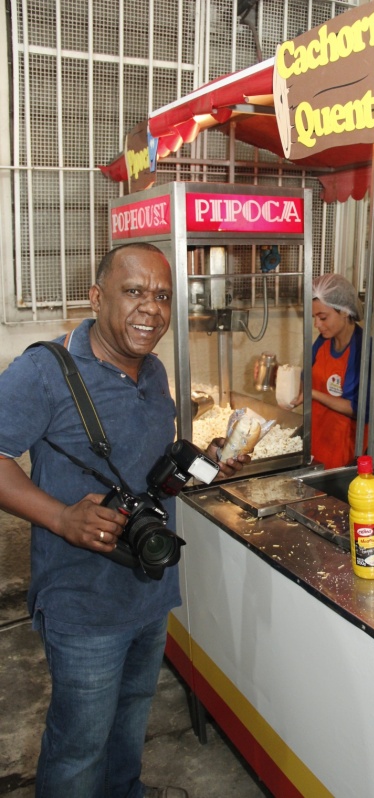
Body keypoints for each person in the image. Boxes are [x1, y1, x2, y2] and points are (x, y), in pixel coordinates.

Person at [0, 242, 249, 798]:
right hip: (82, 601)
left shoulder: (153, 370)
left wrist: (205, 467)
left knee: (131, 719)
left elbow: (149, 472)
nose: (152, 309)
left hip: (148, 588)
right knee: (78, 746)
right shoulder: (46, 370)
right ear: (96, 298)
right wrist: (62, 518)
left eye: (162, 296)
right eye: (134, 292)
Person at [289, 273, 370, 469]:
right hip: (316, 444)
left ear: (344, 311)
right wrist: (276, 375)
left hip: (343, 453)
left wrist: (313, 394)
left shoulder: (361, 349)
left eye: (323, 317)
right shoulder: (323, 341)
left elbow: (359, 409)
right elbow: (305, 380)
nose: (317, 324)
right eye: (314, 317)